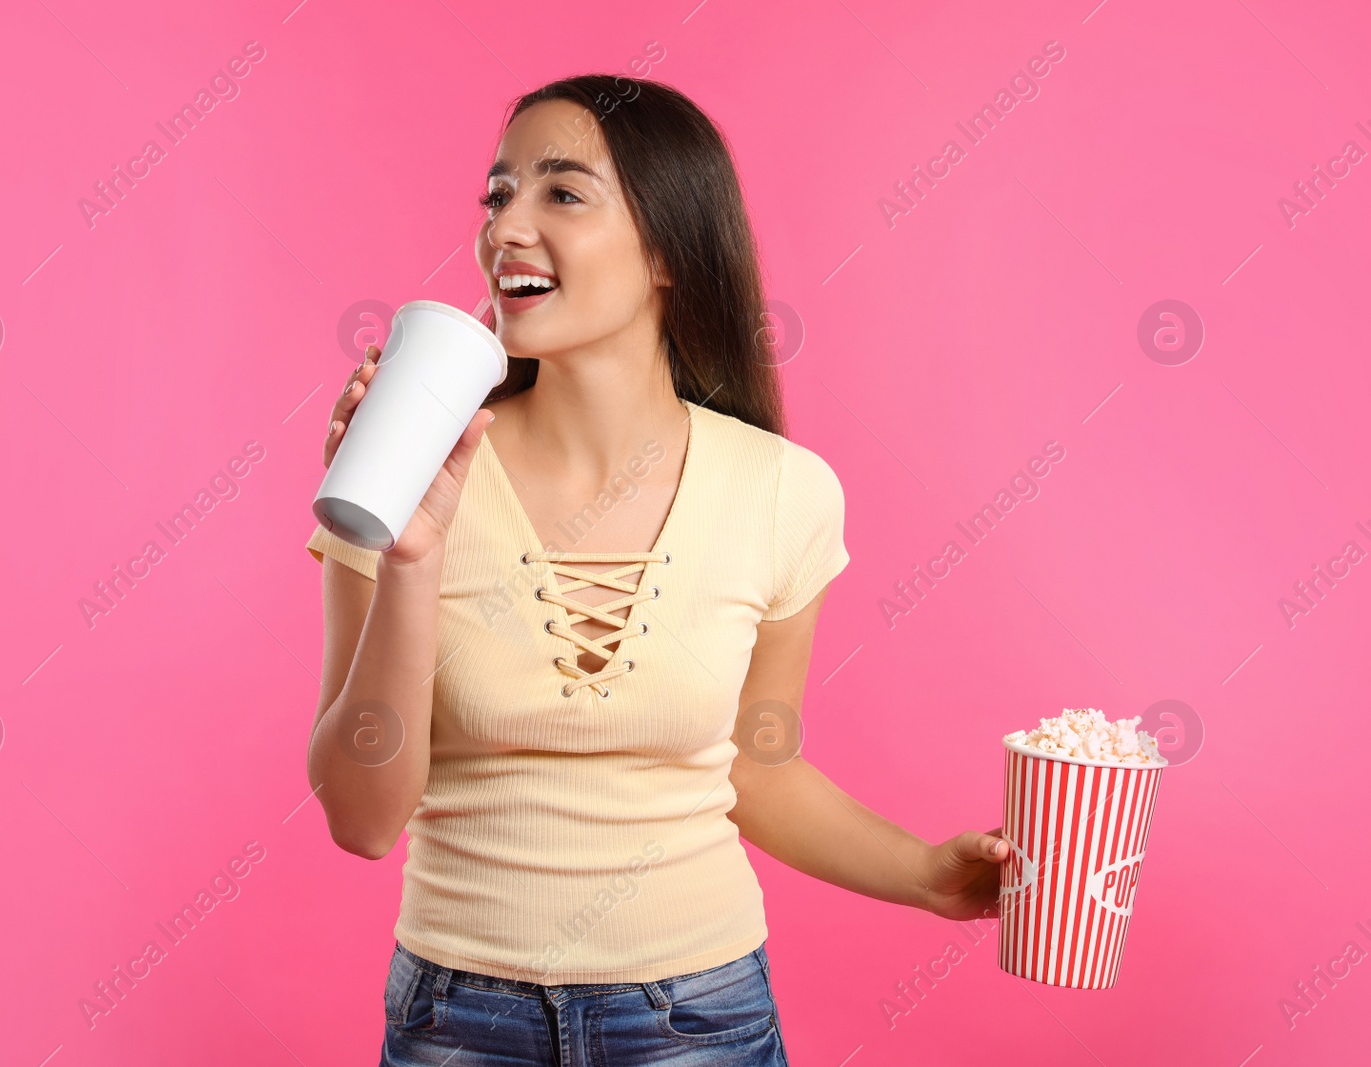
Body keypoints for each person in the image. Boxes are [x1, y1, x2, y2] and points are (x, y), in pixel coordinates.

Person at [305, 74, 1007, 1067]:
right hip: (456, 1023)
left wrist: (930, 876)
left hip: (699, 1018)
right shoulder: (397, 468)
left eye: (562, 192)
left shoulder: (780, 491)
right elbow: (361, 817)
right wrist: (411, 554)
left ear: (669, 248)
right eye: (498, 195)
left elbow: (756, 765)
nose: (508, 225)